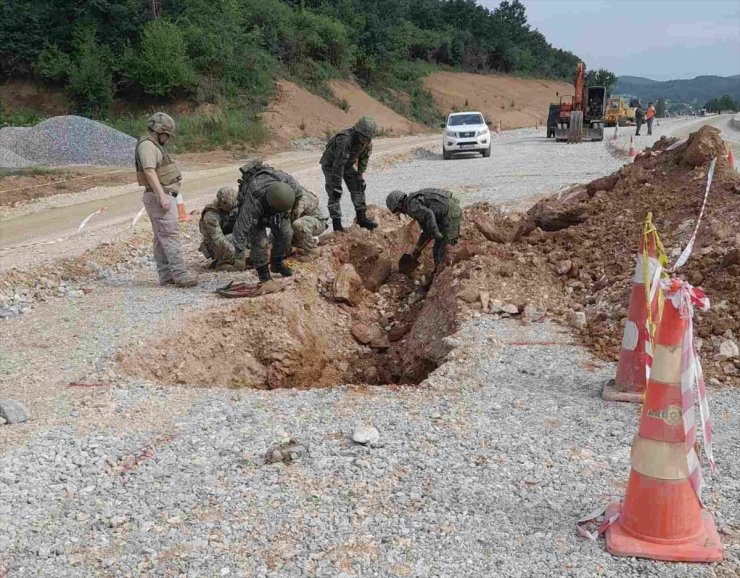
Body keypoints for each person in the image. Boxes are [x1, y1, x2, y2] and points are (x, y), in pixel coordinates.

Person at [135, 112, 197, 287]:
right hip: (159, 196)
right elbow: (149, 170)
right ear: (159, 131)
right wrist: (162, 195)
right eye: (167, 135)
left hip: (158, 195)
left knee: (162, 238)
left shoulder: (151, 145)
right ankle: (180, 276)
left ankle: (167, 276)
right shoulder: (147, 145)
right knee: (170, 236)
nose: (168, 139)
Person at [232, 161, 305, 282]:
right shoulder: (253, 200)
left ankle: (276, 263)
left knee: (286, 234)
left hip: (277, 205)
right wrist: (239, 255)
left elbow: (299, 194)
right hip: (257, 209)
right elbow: (240, 228)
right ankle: (264, 275)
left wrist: (293, 210)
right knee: (260, 242)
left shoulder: (288, 182)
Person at [320, 116, 378, 232]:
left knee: (358, 185)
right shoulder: (345, 140)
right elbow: (338, 164)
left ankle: (361, 218)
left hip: (347, 165)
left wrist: (360, 176)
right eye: (364, 137)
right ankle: (337, 226)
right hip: (331, 165)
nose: (366, 140)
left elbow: (364, 158)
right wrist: (337, 185)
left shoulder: (367, 141)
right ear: (358, 132)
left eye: (368, 138)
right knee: (334, 193)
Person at [385, 189, 462, 268]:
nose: (400, 213)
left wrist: (435, 233)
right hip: (445, 213)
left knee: (444, 249)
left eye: (397, 210)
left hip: (450, 212)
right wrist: (417, 248)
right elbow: (426, 230)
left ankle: (446, 273)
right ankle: (438, 273)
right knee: (436, 250)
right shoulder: (412, 204)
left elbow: (429, 215)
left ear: (400, 205)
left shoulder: (412, 207)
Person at [199, 186, 243, 269]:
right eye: (231, 206)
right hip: (214, 246)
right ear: (223, 203)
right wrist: (237, 256)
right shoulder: (211, 215)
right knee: (239, 237)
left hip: (227, 238)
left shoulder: (233, 205)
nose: (233, 208)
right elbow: (218, 239)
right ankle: (222, 262)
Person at [291, 187, 328, 255]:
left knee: (298, 224)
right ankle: (311, 241)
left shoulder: (301, 198)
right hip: (305, 225)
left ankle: (312, 252)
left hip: (317, 223)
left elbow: (294, 217)